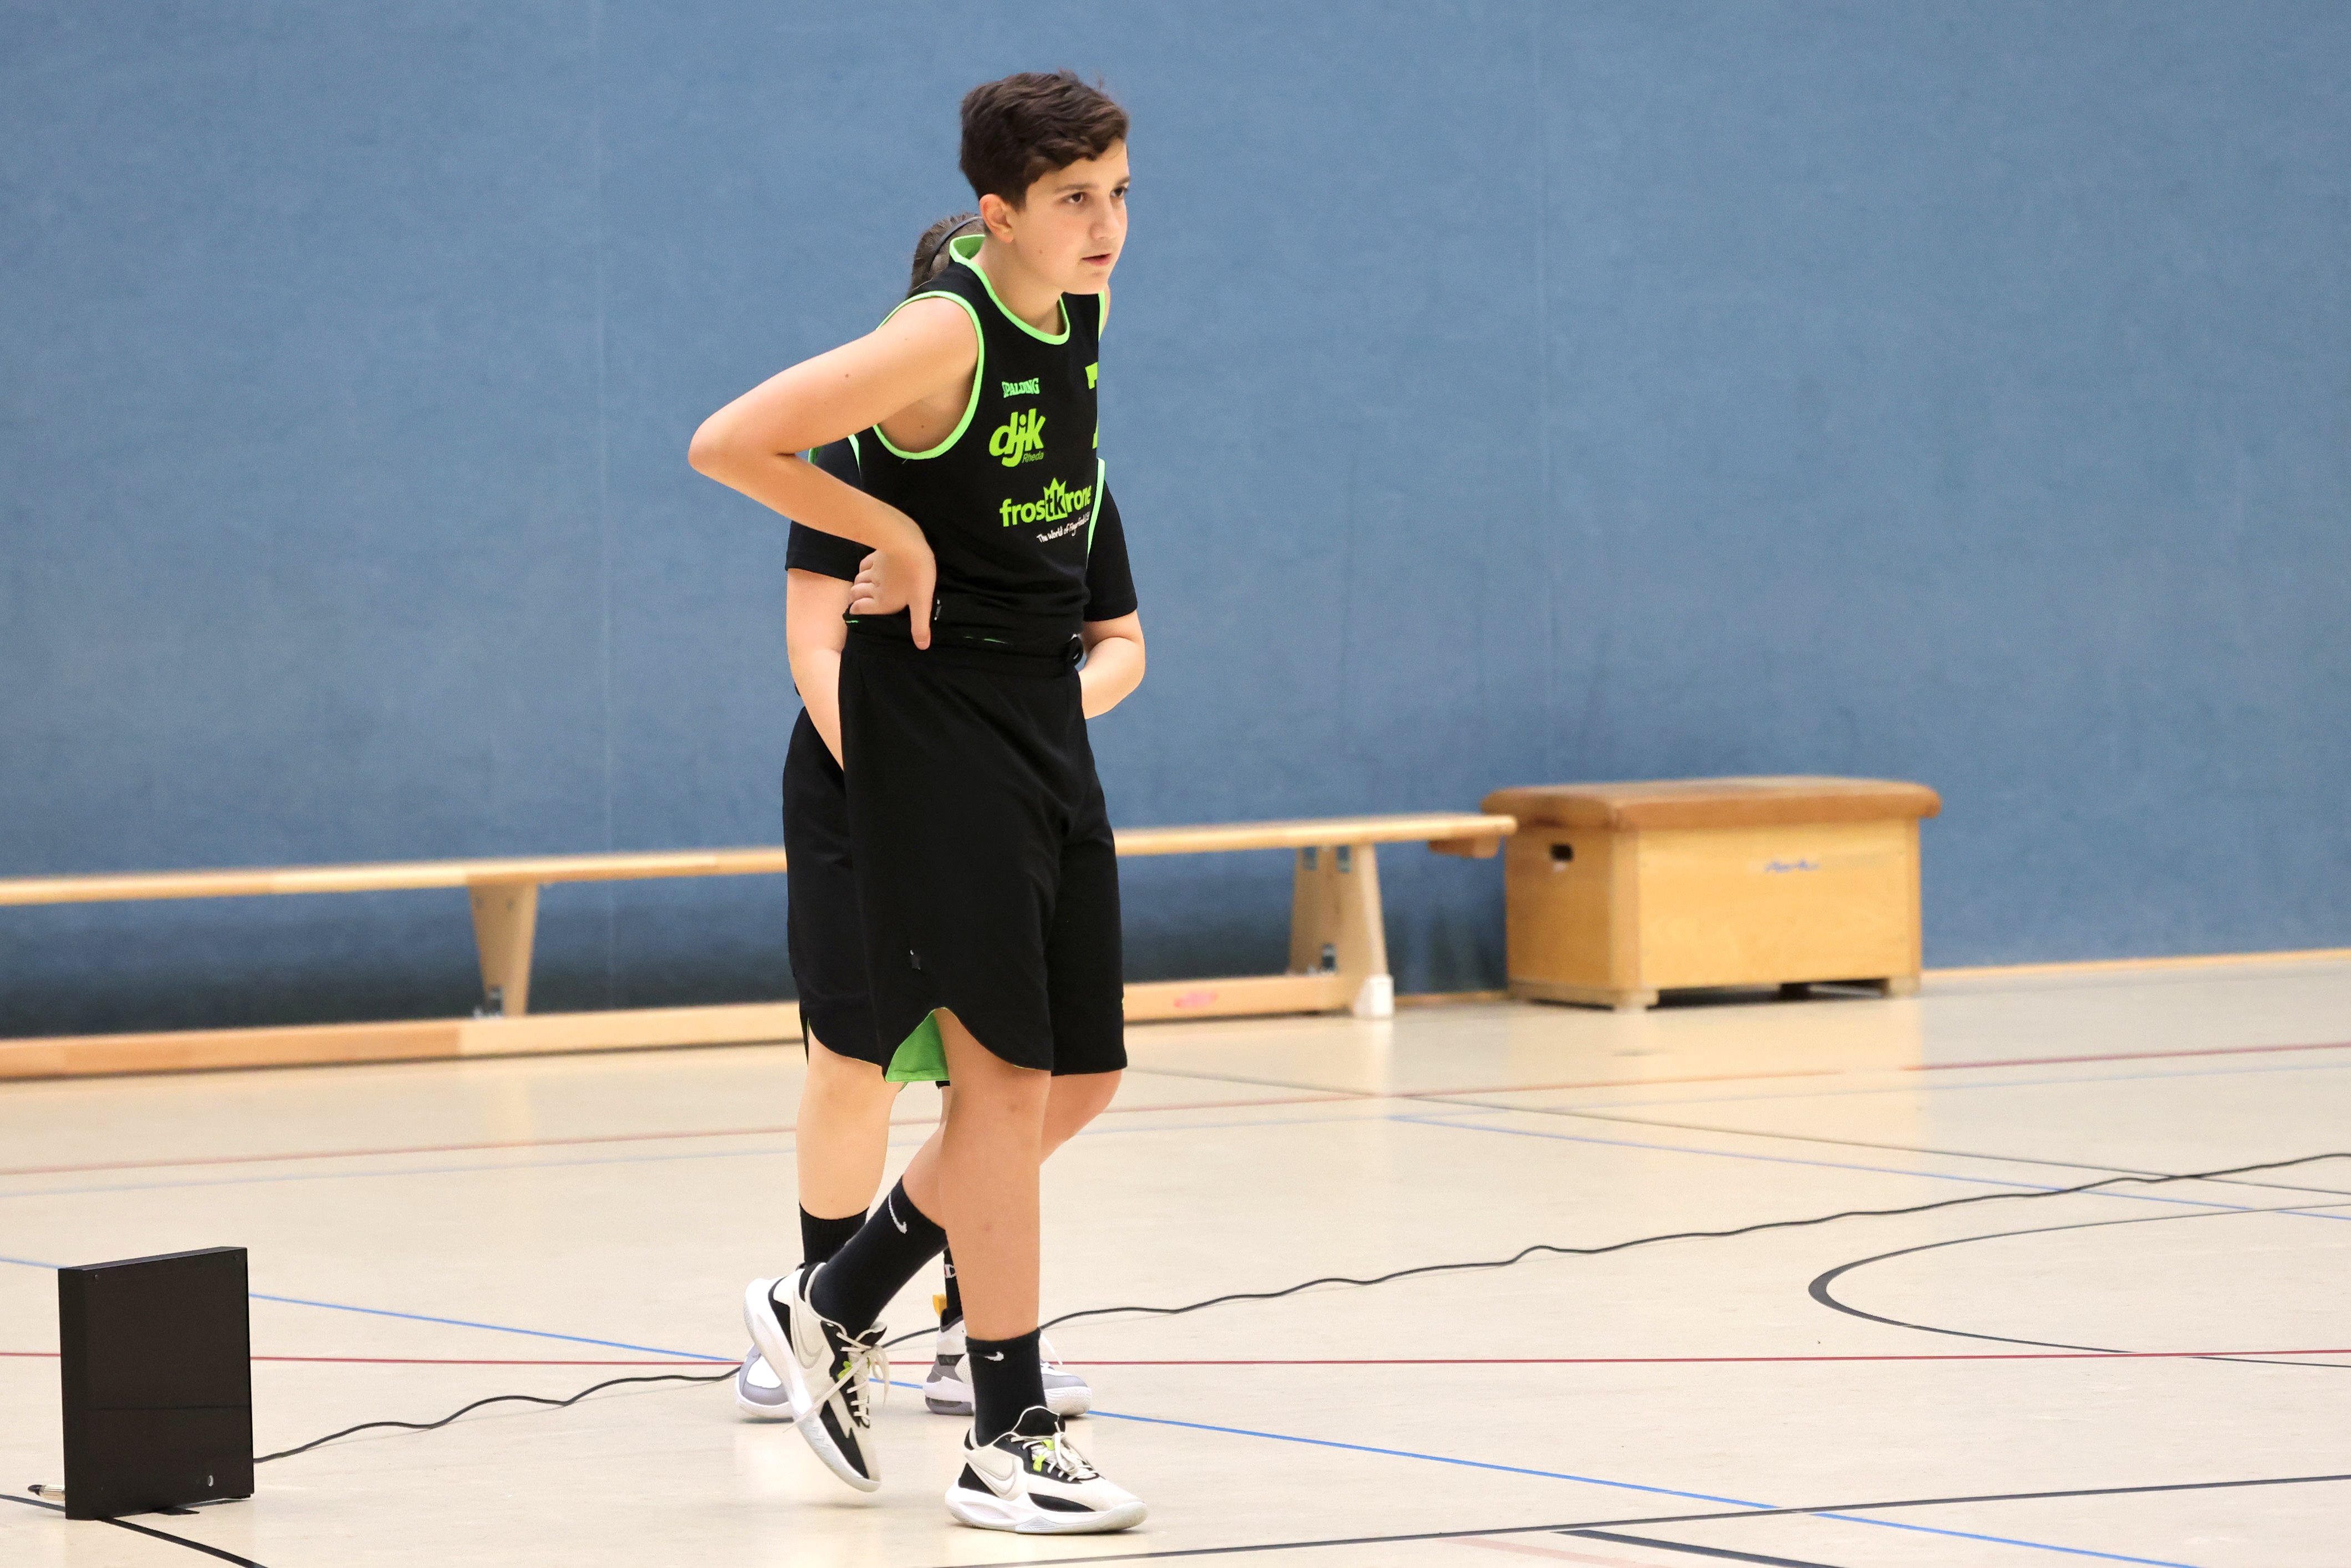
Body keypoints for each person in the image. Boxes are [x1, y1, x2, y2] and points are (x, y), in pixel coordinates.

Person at [689, 71, 1147, 1533]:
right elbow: (730, 441)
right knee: (996, 1087)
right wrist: (892, 529)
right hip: (936, 725)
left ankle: (835, 1298)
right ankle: (1007, 1435)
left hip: (1035, 720)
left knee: (1080, 1080)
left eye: (1119, 194)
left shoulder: (1075, 313)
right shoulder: (942, 331)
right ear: (996, 214)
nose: (1105, 225)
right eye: (1073, 200)